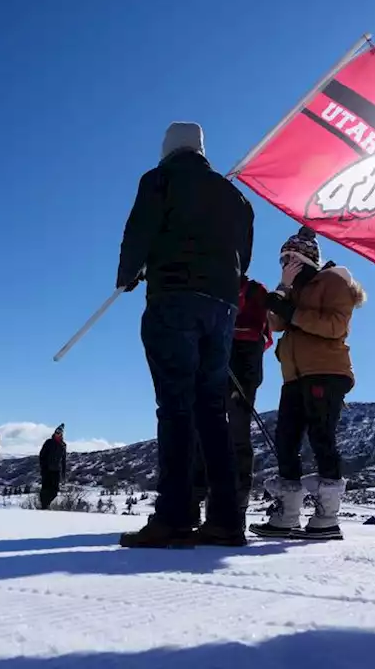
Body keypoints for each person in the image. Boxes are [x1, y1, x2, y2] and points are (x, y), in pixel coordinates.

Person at [115, 122, 254, 549]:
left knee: (175, 407)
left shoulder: (160, 179)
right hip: (222, 307)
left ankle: (174, 517)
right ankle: (226, 520)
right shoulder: (234, 195)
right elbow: (243, 256)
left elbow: (140, 229)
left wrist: (127, 276)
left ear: (168, 149)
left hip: (175, 299)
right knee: (211, 412)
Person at [250, 227, 365, 541]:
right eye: (282, 259)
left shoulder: (334, 281)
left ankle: (327, 517)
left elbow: (335, 326)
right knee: (285, 439)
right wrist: (283, 289)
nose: (286, 263)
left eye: (291, 258)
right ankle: (287, 515)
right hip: (295, 374)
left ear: (306, 258)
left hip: (326, 371)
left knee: (321, 436)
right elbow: (276, 321)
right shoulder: (296, 288)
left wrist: (289, 307)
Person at [190, 275, 272, 527]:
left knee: (235, 436)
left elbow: (259, 333)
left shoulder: (254, 291)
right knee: (200, 433)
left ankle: (233, 510)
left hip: (241, 363)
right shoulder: (210, 283)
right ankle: (193, 503)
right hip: (213, 359)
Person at [38, 424, 67, 510]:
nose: (57, 434)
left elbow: (63, 461)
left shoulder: (63, 445)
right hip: (46, 469)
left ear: (61, 434)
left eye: (59, 432)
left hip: (56, 471)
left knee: (54, 491)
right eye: (56, 432)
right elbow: (41, 455)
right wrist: (43, 467)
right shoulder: (49, 442)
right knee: (45, 489)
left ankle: (46, 504)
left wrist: (63, 475)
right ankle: (44, 506)